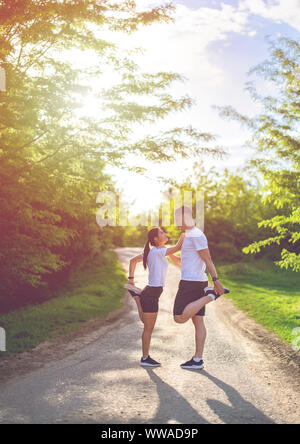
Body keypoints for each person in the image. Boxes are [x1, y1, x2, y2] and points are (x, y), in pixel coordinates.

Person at [173, 205, 228, 370]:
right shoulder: (189, 235)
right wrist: (166, 254)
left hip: (192, 283)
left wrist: (216, 280)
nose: (176, 222)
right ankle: (198, 360)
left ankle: (210, 296)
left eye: (177, 218)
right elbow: (185, 261)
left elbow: (208, 258)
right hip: (195, 281)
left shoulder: (196, 235)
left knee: (179, 317)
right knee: (198, 322)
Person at [125, 227, 185, 368]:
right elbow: (178, 247)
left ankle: (137, 298)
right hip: (151, 294)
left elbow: (132, 261)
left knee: (146, 323)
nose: (165, 234)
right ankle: (145, 358)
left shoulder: (154, 252)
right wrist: (184, 235)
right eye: (162, 233)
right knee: (148, 328)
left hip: (150, 293)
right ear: (156, 239)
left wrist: (131, 279)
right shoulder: (158, 252)